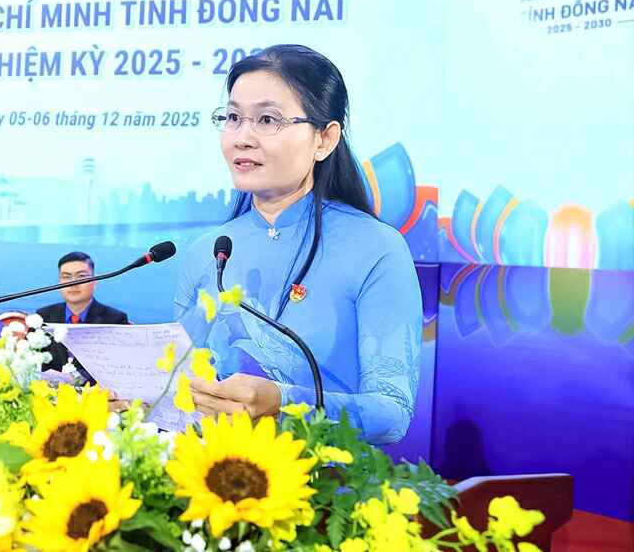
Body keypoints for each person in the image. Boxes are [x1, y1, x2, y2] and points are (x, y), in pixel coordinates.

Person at [175, 44, 421, 445]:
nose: (242, 138)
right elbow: (184, 385)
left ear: (324, 140)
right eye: (233, 117)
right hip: (212, 486)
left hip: (327, 496)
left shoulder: (376, 248)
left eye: (267, 119)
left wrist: (283, 404)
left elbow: (391, 413)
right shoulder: (209, 251)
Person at [36, 251, 129, 380]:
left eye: (81, 276)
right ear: (58, 283)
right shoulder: (43, 317)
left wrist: (76, 378)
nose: (73, 283)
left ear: (95, 281)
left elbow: (117, 368)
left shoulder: (114, 320)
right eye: (66, 277)